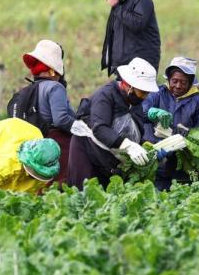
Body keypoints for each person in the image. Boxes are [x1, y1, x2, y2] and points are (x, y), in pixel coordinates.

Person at [67, 58, 182, 189]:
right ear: (129, 86)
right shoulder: (105, 95)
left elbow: (133, 128)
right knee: (85, 194)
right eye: (143, 92)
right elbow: (99, 128)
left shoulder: (135, 102)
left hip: (110, 157)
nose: (145, 97)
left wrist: (148, 147)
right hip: (87, 152)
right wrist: (128, 146)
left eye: (147, 93)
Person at [142, 56, 199, 190]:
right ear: (168, 79)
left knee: (182, 194)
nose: (178, 86)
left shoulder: (198, 102)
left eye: (183, 82)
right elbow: (140, 111)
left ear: (190, 83)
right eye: (174, 81)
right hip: (155, 157)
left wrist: (188, 135)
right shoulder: (157, 93)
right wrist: (152, 112)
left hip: (183, 162)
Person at [12, 39, 78, 184]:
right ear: (53, 69)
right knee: (61, 185)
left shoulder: (29, 89)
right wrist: (82, 129)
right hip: (56, 145)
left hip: (36, 147)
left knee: (41, 187)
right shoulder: (55, 88)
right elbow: (61, 120)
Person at [99, 0, 161, 75]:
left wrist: (116, 7)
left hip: (141, 68)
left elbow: (137, 24)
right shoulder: (120, 2)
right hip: (123, 67)